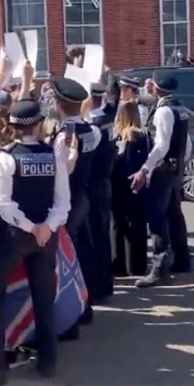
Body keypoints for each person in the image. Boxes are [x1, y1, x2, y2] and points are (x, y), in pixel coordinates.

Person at [0, 99, 70, 386]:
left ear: (10, 126)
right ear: (38, 125)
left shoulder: (5, 158)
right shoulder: (54, 157)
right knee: (44, 299)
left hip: (14, 236)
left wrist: (30, 227)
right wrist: (45, 228)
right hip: (46, 237)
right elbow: (63, 202)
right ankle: (48, 362)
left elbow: (3, 204)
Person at [129, 69, 190, 288]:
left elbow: (161, 145)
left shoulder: (164, 111)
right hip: (175, 169)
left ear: (157, 87)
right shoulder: (180, 108)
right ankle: (182, 260)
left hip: (162, 171)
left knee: (157, 219)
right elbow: (187, 142)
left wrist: (145, 169)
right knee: (174, 215)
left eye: (152, 85)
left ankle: (160, 269)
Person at [51, 78, 100, 322]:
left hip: (68, 196)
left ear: (59, 103)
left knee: (68, 253)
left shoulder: (64, 137)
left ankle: (75, 307)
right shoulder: (90, 130)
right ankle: (87, 300)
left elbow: (61, 171)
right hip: (84, 192)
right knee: (83, 247)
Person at [111, 101, 151, 277]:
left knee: (118, 225)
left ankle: (119, 265)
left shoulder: (119, 136)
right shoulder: (142, 135)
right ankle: (137, 265)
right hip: (137, 183)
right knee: (138, 224)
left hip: (119, 184)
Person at [86, 83, 117, 301]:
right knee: (103, 235)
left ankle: (97, 286)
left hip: (93, 184)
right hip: (105, 181)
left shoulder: (93, 125)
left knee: (93, 238)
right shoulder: (108, 118)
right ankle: (106, 283)